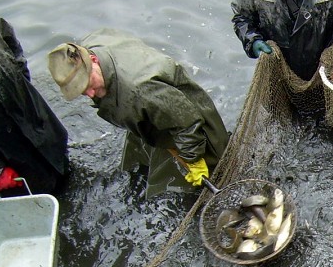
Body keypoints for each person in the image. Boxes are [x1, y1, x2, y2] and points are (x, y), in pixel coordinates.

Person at [47, 30, 229, 198]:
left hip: (192, 123)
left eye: (88, 84)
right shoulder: (94, 42)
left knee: (214, 174)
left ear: (93, 60)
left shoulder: (141, 91)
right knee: (142, 161)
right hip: (153, 112)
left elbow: (187, 124)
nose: (90, 94)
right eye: (81, 90)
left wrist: (193, 159)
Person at [0, 13, 69, 197]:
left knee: (57, 155)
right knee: (29, 186)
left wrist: (22, 80)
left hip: (27, 108)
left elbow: (10, 39)